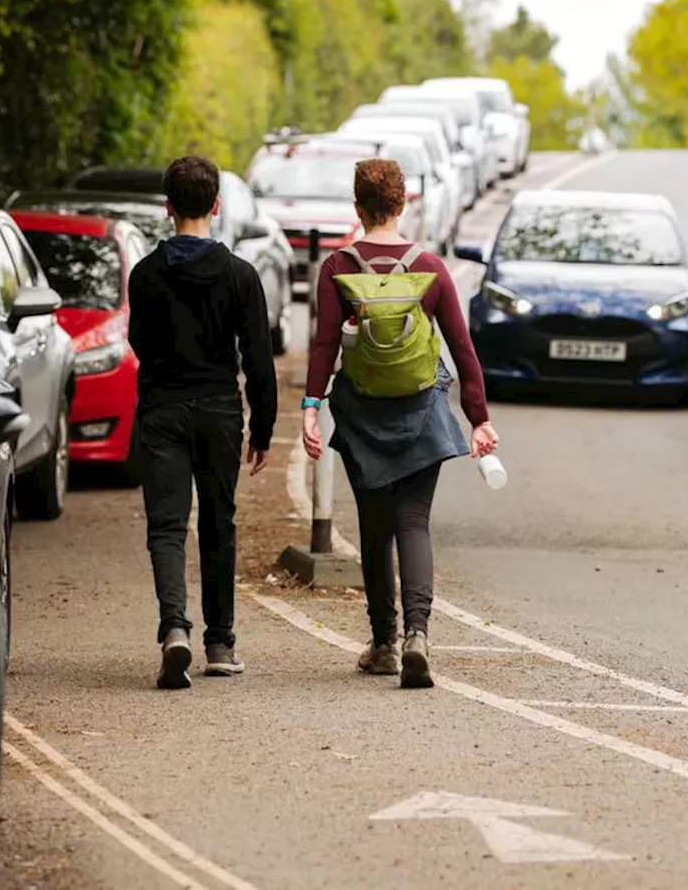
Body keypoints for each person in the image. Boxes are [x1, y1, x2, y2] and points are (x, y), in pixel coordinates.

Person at [302, 158, 498, 689]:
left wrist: (311, 407)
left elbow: (324, 344)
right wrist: (478, 420)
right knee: (414, 522)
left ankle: (384, 644)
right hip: (422, 415)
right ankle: (418, 635)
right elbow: (462, 348)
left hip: (364, 415)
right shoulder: (429, 268)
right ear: (403, 202)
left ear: (358, 207)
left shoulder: (338, 267)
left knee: (375, 527)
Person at [127, 155, 278, 690]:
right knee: (219, 522)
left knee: (167, 526)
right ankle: (220, 644)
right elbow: (259, 357)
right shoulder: (240, 275)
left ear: (168, 208)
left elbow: (139, 343)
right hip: (218, 411)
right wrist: (263, 428)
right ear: (216, 206)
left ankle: (174, 630)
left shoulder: (145, 274)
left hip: (162, 408)